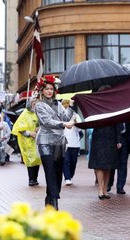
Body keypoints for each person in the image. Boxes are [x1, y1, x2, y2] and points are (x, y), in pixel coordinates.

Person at [34, 75, 74, 209]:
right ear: (42, 91)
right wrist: (63, 124)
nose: (50, 91)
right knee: (50, 171)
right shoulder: (39, 105)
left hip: (59, 142)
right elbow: (47, 122)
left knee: (57, 173)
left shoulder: (58, 104)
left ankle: (49, 199)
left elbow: (67, 117)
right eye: (47, 89)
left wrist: (71, 106)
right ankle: (54, 202)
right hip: (45, 142)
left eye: (51, 89)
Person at [11, 98, 41, 187]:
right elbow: (19, 128)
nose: (35, 105)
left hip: (36, 140)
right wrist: (29, 133)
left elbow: (40, 123)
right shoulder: (24, 114)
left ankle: (35, 178)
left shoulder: (37, 114)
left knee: (37, 159)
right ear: (30, 104)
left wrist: (38, 128)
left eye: (36, 103)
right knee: (30, 160)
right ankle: (31, 179)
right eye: (33, 103)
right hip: (27, 141)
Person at [89, 124, 121, 200]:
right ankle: (100, 189)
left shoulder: (113, 112)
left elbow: (118, 125)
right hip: (98, 137)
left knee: (108, 166)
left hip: (111, 138)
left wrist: (118, 140)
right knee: (99, 165)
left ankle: (105, 189)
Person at [107, 121, 130, 194]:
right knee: (112, 162)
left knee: (123, 163)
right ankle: (109, 184)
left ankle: (120, 187)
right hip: (113, 137)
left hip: (125, 138)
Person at [62, 98, 82, 186]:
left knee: (73, 161)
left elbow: (80, 128)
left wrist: (76, 124)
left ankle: (70, 175)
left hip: (74, 142)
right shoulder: (60, 115)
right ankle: (67, 178)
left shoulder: (76, 115)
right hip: (64, 142)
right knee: (65, 160)